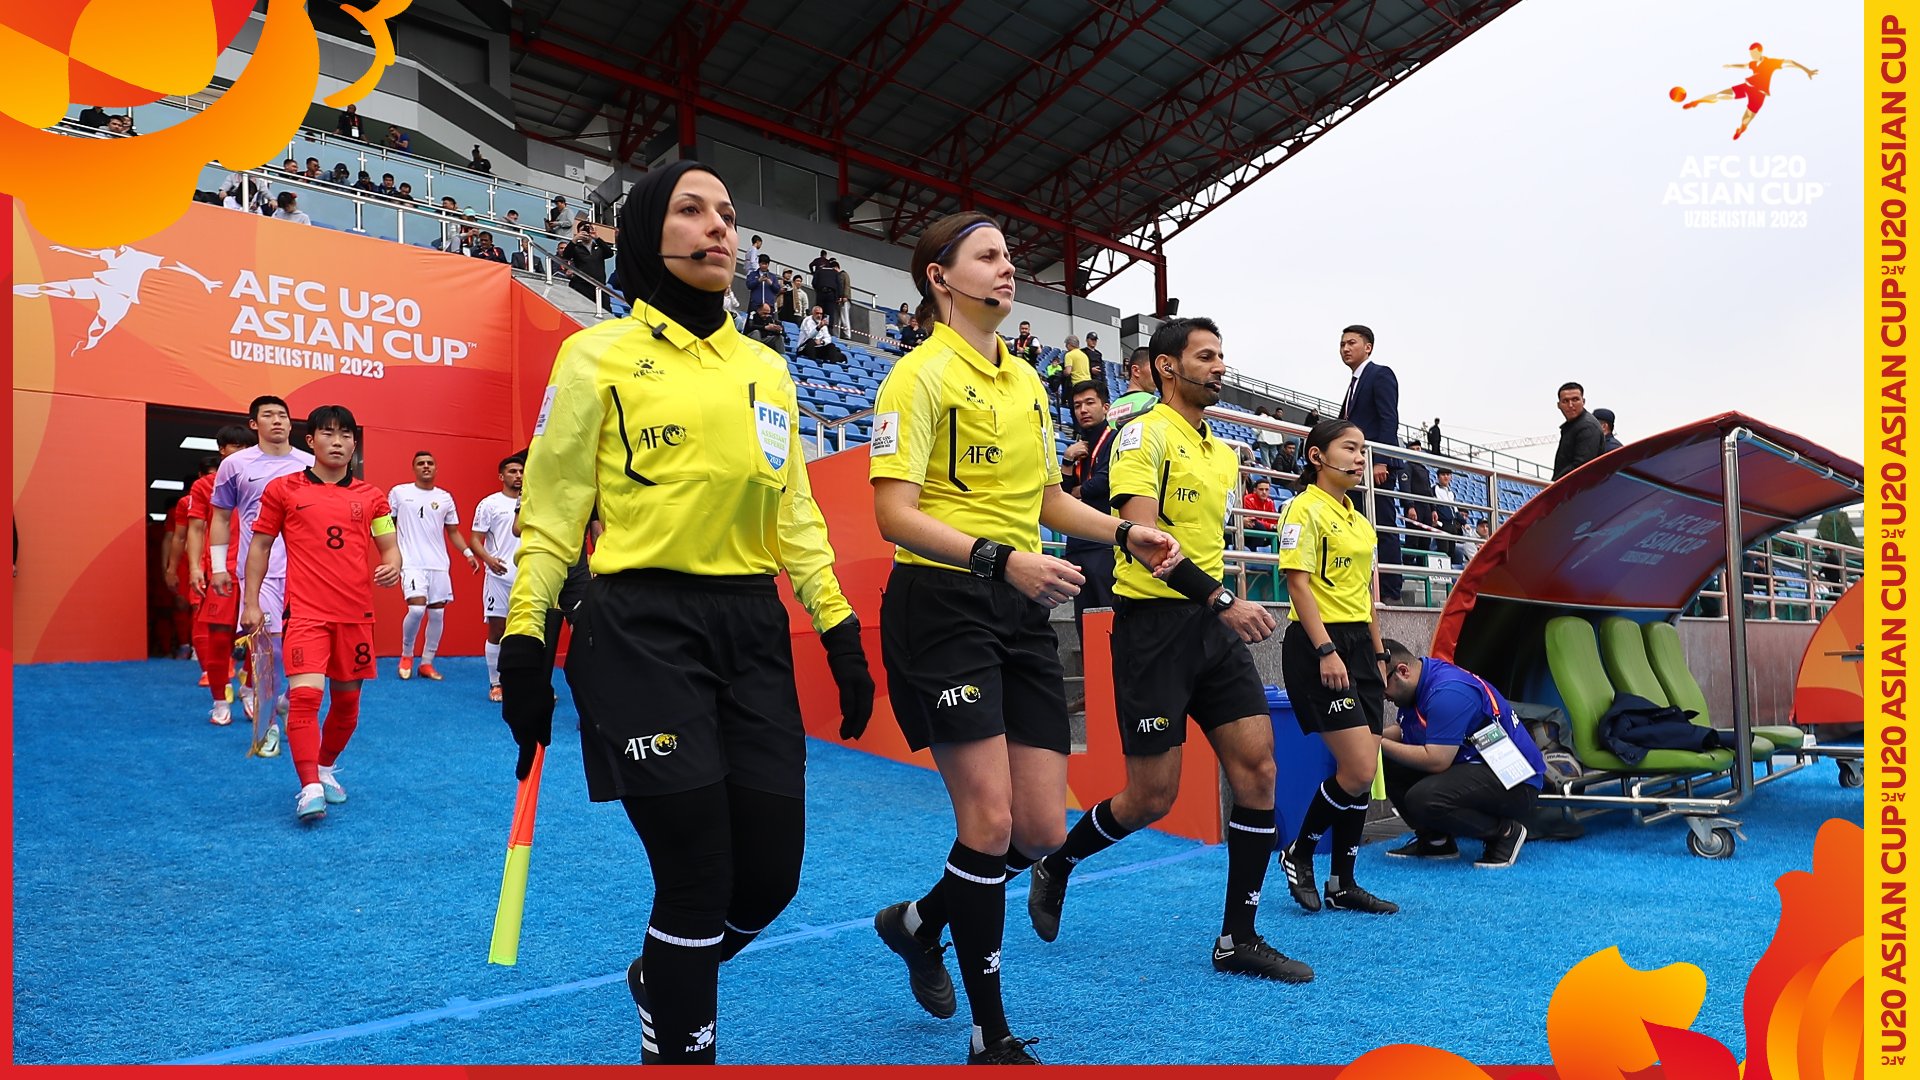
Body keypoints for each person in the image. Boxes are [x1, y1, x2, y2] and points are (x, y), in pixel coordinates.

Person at [497, 160, 874, 1066]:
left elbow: (794, 512)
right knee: (696, 873)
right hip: (639, 631)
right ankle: (681, 1038)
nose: (720, 229)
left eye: (730, 215)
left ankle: (663, 974)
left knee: (771, 877)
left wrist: (839, 628)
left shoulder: (768, 369)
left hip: (749, 627)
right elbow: (551, 517)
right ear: (644, 236)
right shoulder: (595, 356)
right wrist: (524, 641)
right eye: (693, 210)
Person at [866, 211, 1180, 1065]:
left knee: (1041, 828)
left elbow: (1045, 499)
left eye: (1010, 256)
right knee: (988, 817)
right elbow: (893, 513)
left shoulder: (1026, 384)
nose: (1010, 268)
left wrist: (1124, 534)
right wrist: (1002, 560)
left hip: (1020, 606)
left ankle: (919, 921)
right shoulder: (916, 377)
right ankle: (989, 1033)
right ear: (941, 276)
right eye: (990, 256)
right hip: (942, 604)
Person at [1026, 316, 1309, 983]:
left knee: (1259, 773)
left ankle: (1237, 938)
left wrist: (1222, 601)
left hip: (1212, 627)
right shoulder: (1143, 435)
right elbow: (1145, 543)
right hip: (1154, 629)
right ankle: (1058, 862)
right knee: (1151, 796)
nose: (1219, 366)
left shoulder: (1222, 450)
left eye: (1222, 356)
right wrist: (1221, 600)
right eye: (1205, 356)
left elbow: (1205, 545)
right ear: (1165, 367)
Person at [243, 405, 401, 821]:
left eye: (346, 434)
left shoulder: (373, 497)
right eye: (328, 433)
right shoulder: (283, 490)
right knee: (306, 699)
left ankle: (326, 767)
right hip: (306, 615)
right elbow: (259, 547)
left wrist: (394, 565)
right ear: (310, 441)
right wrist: (251, 602)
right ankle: (309, 785)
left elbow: (389, 546)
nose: (338, 441)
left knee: (347, 708)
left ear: (354, 443)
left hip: (355, 617)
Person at [1274, 418, 1401, 917]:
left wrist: (1378, 653)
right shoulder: (1303, 510)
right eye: (1349, 448)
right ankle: (1299, 851)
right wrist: (1326, 650)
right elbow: (1297, 584)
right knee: (1358, 766)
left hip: (1358, 646)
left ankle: (1343, 882)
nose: (1359, 457)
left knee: (1362, 773)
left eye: (1362, 450)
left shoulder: (1359, 519)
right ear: (1316, 456)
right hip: (1317, 644)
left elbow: (1367, 600)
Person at [207, 397, 315, 754]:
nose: (277, 421)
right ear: (254, 424)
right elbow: (221, 518)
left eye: (283, 415)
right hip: (259, 569)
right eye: (268, 415)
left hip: (306, 567)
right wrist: (219, 566)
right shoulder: (235, 464)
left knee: (305, 647)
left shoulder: (310, 463)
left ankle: (283, 700)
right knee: (270, 649)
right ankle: (267, 727)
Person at [1378, 640, 1545, 867]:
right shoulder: (1417, 683)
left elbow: (1437, 760)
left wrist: (1375, 742)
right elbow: (1405, 730)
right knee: (1385, 757)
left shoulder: (1448, 692)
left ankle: (1505, 833)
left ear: (1402, 672)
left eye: (1381, 686)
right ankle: (1436, 841)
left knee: (1423, 798)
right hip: (1477, 765)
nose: (1382, 695)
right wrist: (1368, 737)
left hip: (1517, 781)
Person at [185, 426, 258, 721]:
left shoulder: (266, 482)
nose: (239, 452)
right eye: (233, 446)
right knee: (218, 640)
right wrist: (194, 567)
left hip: (258, 573)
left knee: (261, 638)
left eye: (245, 447)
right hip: (222, 574)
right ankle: (220, 702)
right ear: (222, 450)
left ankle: (251, 690)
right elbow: (195, 528)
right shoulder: (206, 486)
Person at [388, 451, 480, 681]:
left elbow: (453, 532)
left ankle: (427, 663)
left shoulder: (445, 497)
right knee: (417, 609)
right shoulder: (399, 493)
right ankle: (407, 655)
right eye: (421, 463)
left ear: (436, 468)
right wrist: (390, 557)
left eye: (430, 463)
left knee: (437, 614)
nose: (426, 466)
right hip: (411, 563)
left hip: (439, 565)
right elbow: (389, 527)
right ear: (414, 468)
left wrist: (468, 553)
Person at [1060, 380, 1118, 629]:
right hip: (1078, 545)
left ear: (1105, 407)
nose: (1082, 409)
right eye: (1077, 405)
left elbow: (1107, 480)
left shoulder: (1115, 439)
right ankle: (1093, 670)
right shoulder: (1077, 447)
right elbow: (1060, 494)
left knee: (1109, 621)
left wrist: (1078, 491)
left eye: (1089, 403)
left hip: (1104, 545)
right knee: (1085, 625)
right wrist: (1067, 461)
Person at [472, 452, 525, 703]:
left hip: (529, 576)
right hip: (499, 577)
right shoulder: (489, 504)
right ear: (501, 476)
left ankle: (532, 684)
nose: (517, 476)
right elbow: (474, 539)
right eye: (512, 471)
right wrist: (489, 560)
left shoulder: (534, 502)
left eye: (521, 471)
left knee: (532, 632)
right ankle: (496, 683)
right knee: (498, 630)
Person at [1682, 43, 1819, 140]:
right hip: (1746, 86)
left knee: (1746, 118)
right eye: (1750, 53)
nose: (1752, 56)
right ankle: (1697, 101)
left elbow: (1791, 62)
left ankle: (1741, 129)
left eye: (1753, 53)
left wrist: (1807, 70)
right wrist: (1731, 65)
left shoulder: (1771, 63)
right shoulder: (1753, 63)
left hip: (1759, 95)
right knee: (1720, 95)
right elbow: (1744, 66)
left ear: (1760, 51)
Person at [1552, 382, 1606, 480]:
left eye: (1575, 399)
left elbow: (1581, 467)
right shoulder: (1572, 426)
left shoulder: (1588, 427)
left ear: (1583, 401)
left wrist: (1554, 485)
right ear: (1558, 405)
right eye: (1565, 401)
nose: (1570, 405)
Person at [564, 220, 615, 307]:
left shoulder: (599, 247)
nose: (587, 232)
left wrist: (597, 238)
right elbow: (566, 255)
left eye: (589, 229)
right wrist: (575, 239)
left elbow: (610, 253)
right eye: (583, 230)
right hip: (581, 285)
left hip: (599, 286)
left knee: (605, 311)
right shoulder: (576, 247)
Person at [1106, 346, 1159, 429]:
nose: (1158, 374)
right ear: (1136, 371)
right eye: (1154, 369)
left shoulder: (1111, 408)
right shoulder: (1154, 403)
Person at [1241, 476, 1280, 548]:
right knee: (1259, 527)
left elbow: (1273, 521)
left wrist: (1274, 526)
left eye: (1266, 490)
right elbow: (1252, 519)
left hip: (1265, 530)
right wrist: (1270, 526)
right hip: (1251, 529)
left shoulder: (1270, 502)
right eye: (1261, 489)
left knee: (1279, 531)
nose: (1264, 492)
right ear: (1255, 490)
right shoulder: (1248, 499)